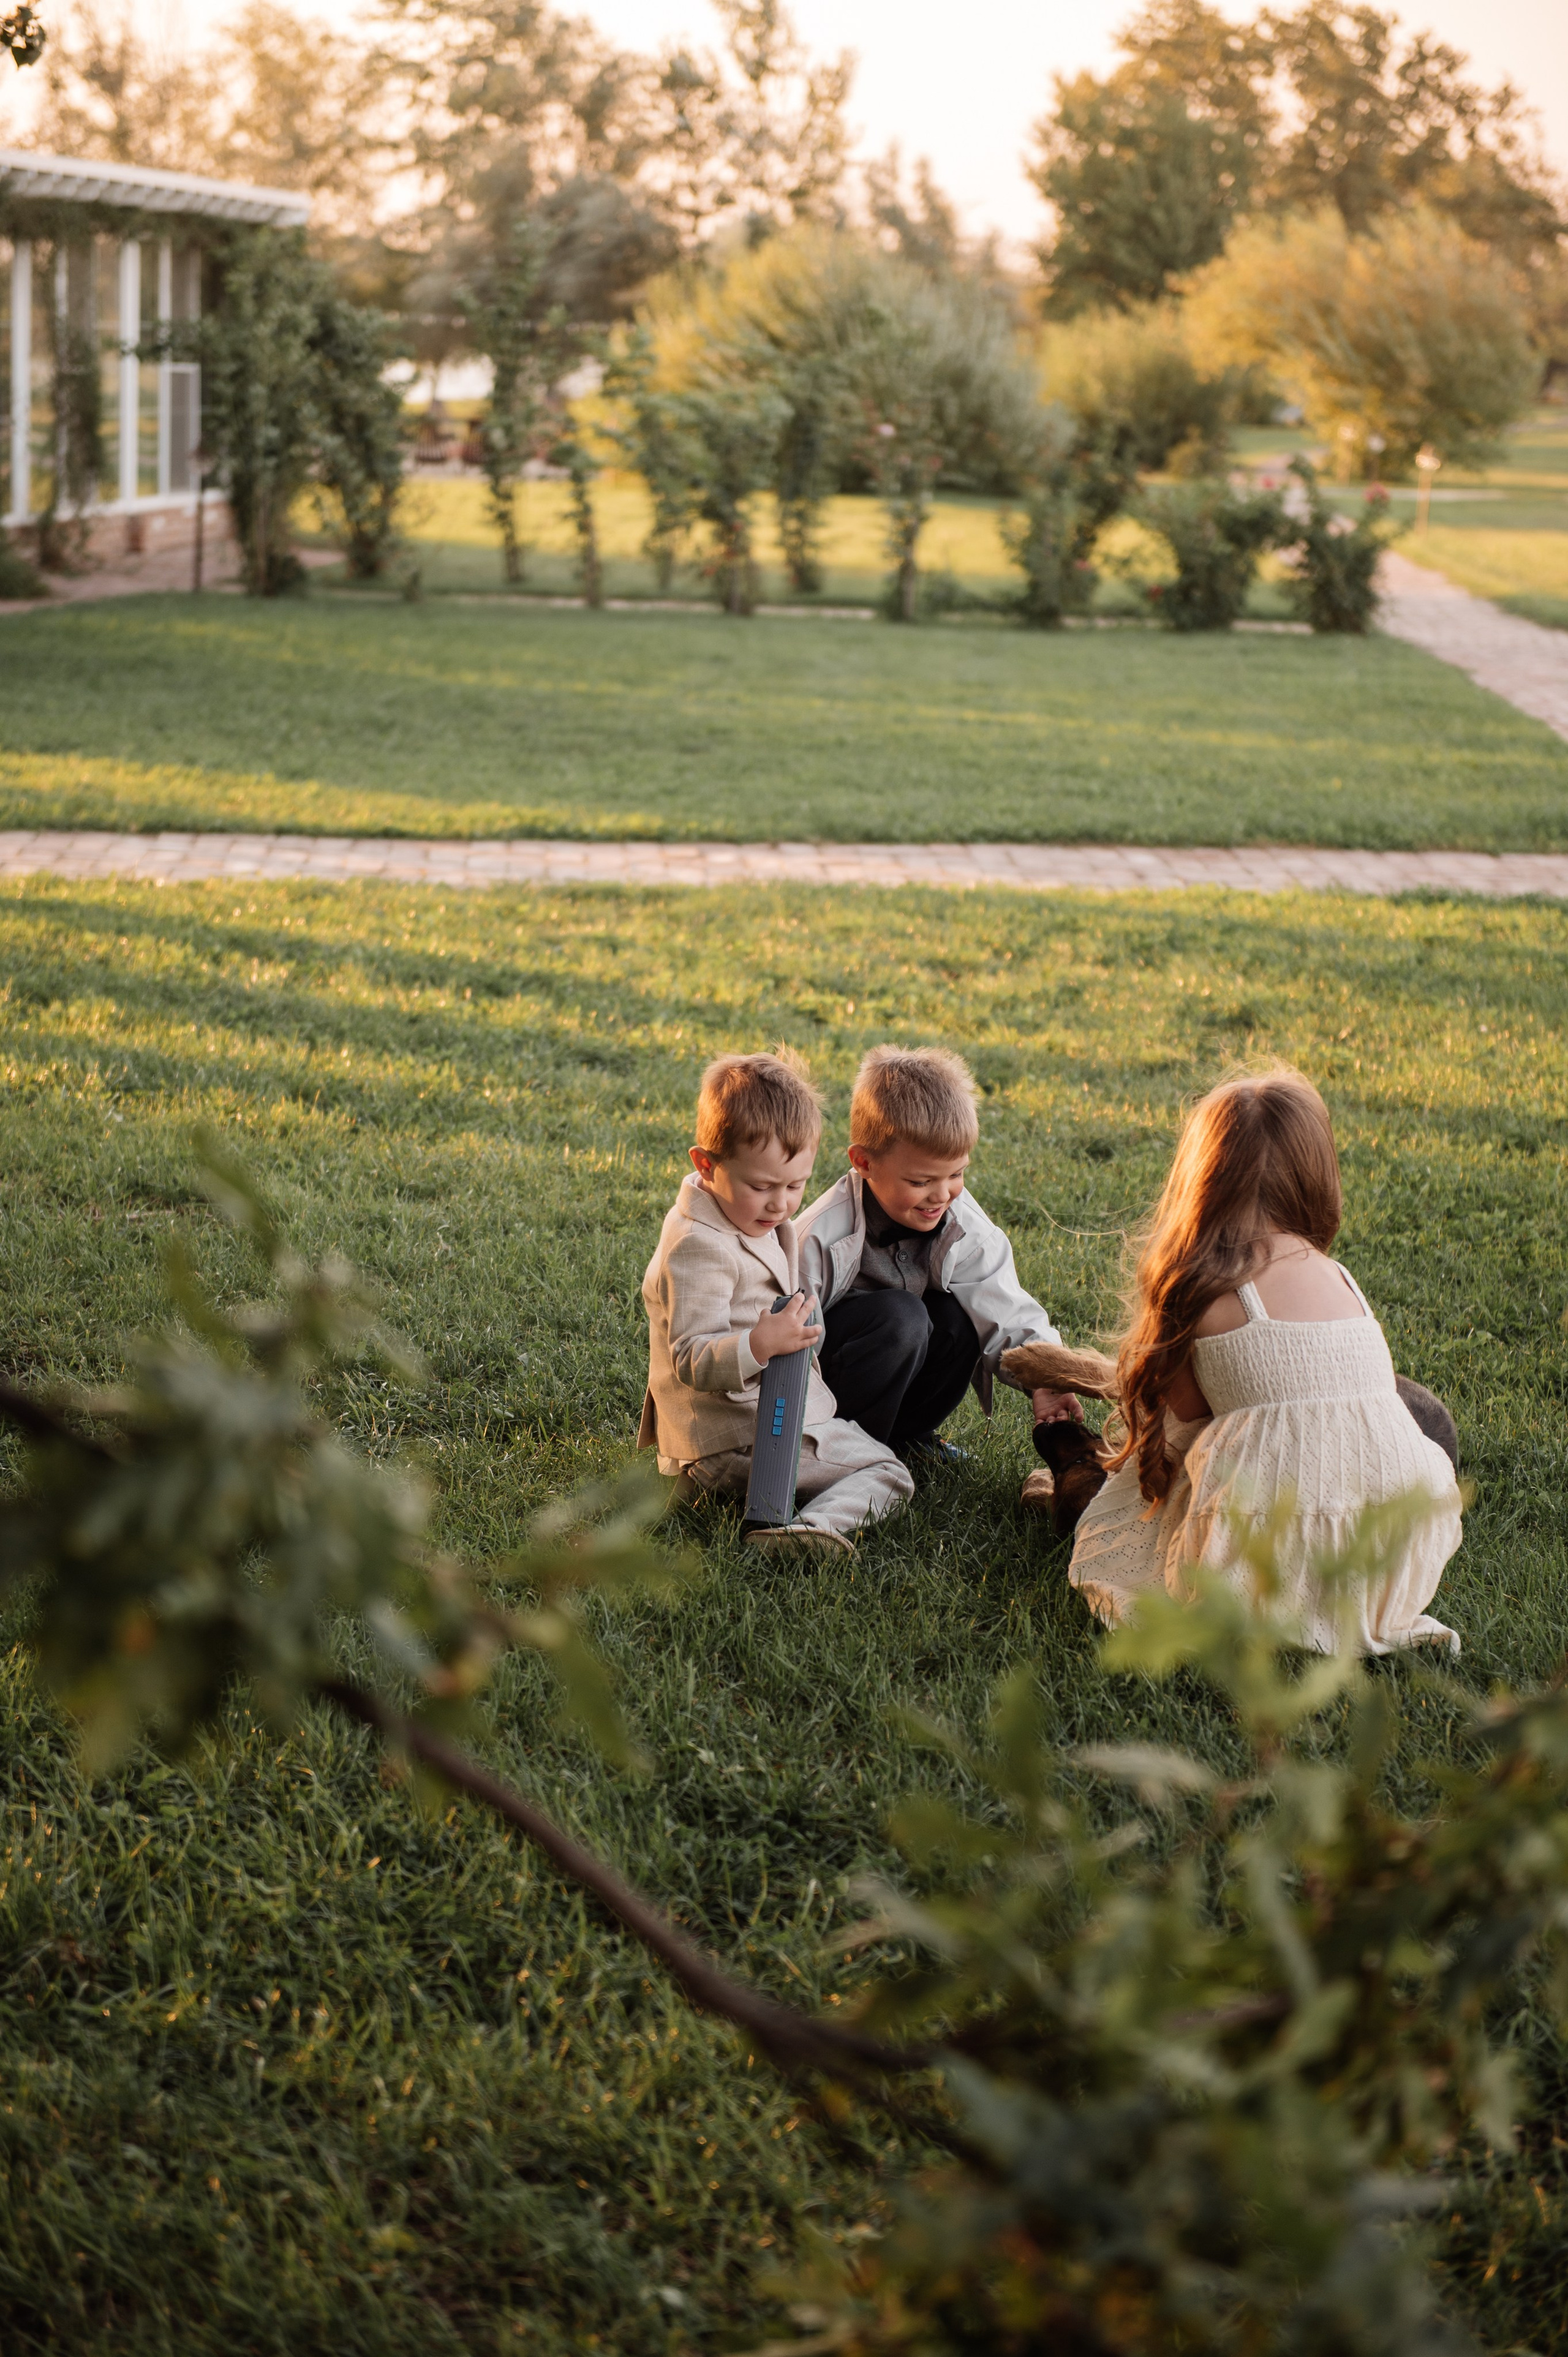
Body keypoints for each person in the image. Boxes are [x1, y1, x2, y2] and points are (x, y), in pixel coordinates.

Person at [1067, 1066, 1463, 1654]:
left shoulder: (1197, 1287)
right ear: (1317, 1175)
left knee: (1132, 1512)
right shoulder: (1339, 1277)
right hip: (1386, 1551)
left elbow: (1189, 1419)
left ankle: (1070, 1468)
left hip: (1263, 1555)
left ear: (1200, 1179)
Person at [638, 1050, 913, 1558]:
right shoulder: (698, 1245)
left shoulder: (749, 1218)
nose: (782, 1204)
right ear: (706, 1164)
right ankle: (807, 1529)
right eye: (762, 1186)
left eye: (795, 1185)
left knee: (871, 1453)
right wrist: (760, 1344)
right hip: (737, 1435)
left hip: (762, 1419)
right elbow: (690, 1357)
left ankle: (708, 1488)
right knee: (888, 1471)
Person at [797, 1045, 1079, 1462]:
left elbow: (1005, 1307)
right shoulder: (820, 1237)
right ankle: (846, 1454)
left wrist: (1047, 1378)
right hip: (831, 1388)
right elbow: (787, 1346)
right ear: (864, 1163)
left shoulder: (961, 1223)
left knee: (958, 1316)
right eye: (921, 1180)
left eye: (956, 1173)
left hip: (898, 1367)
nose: (942, 1194)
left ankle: (907, 1437)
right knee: (903, 1316)